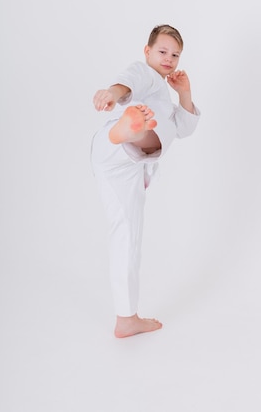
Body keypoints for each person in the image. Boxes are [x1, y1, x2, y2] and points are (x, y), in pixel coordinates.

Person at [91, 24, 200, 338]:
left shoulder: (164, 98)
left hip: (123, 165)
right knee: (126, 234)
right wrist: (113, 93)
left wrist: (185, 93)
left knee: (127, 233)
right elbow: (129, 82)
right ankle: (128, 130)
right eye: (162, 51)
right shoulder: (146, 75)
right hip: (116, 150)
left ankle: (127, 318)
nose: (169, 59)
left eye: (175, 55)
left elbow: (185, 128)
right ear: (147, 51)